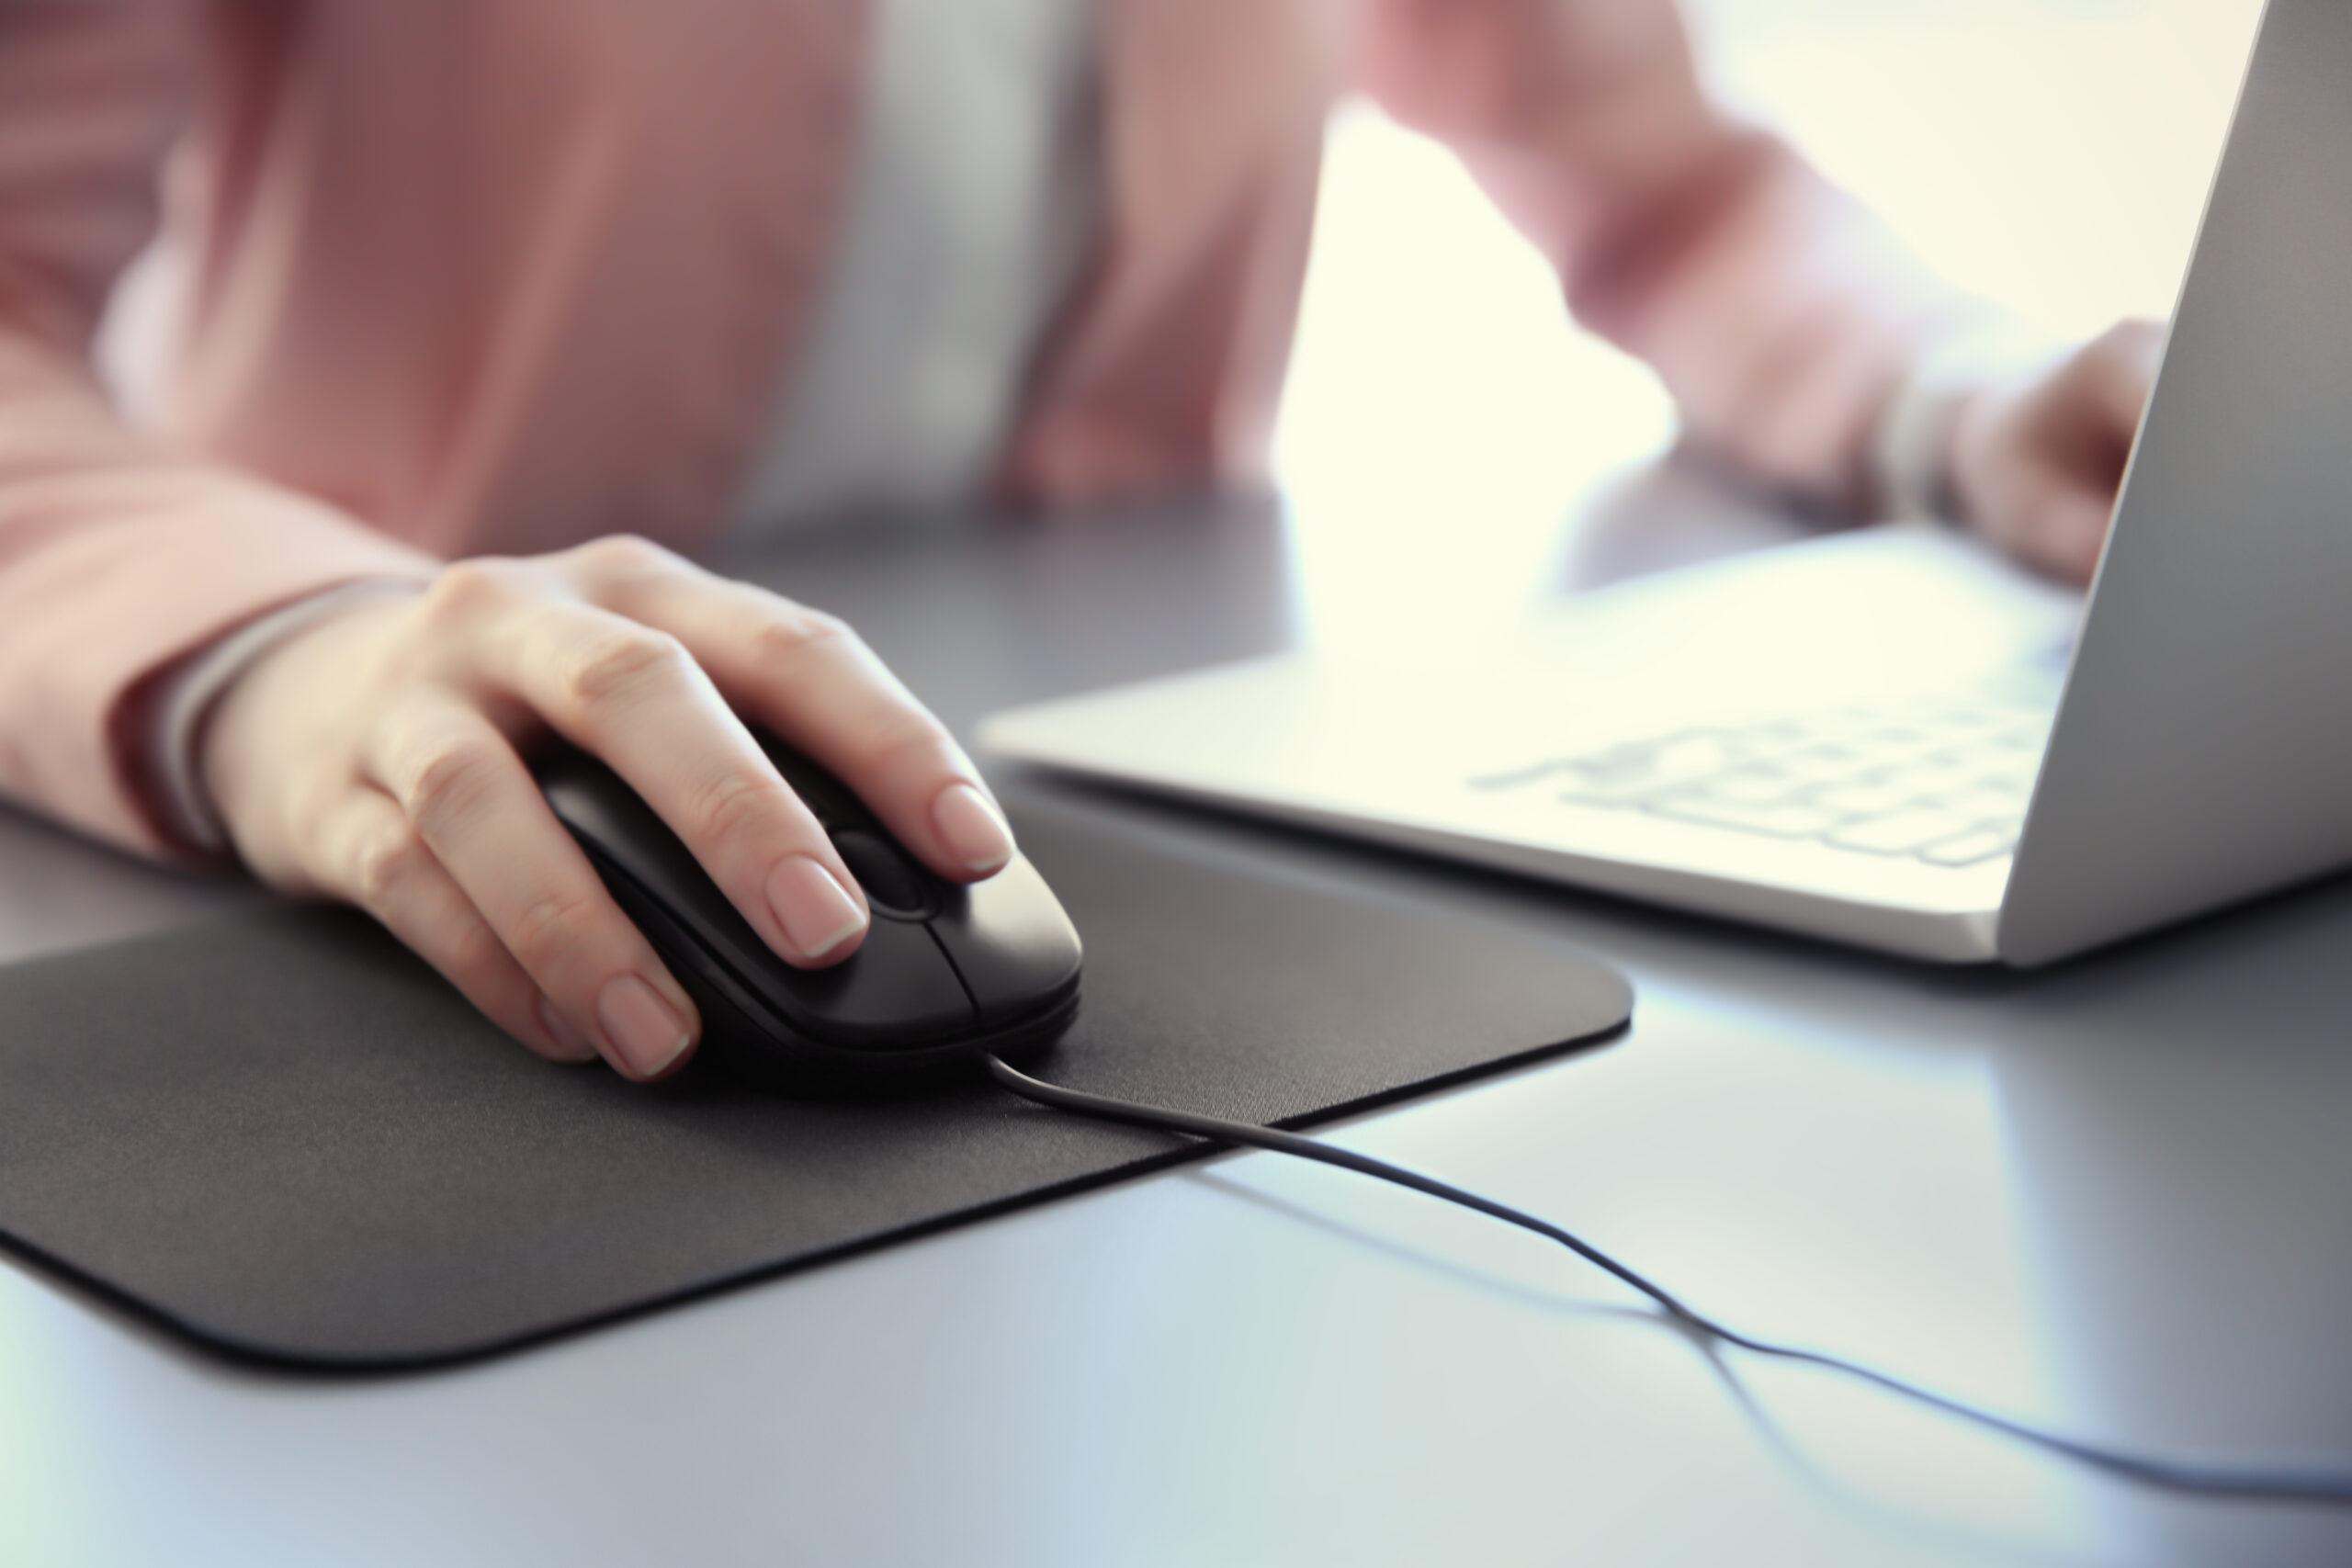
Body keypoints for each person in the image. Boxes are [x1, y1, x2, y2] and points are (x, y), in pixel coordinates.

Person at [0, 0, 2157, 1080]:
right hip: (411, 814)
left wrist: (1956, 392)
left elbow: (1666, 186)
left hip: (1110, 759)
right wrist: (289, 648)